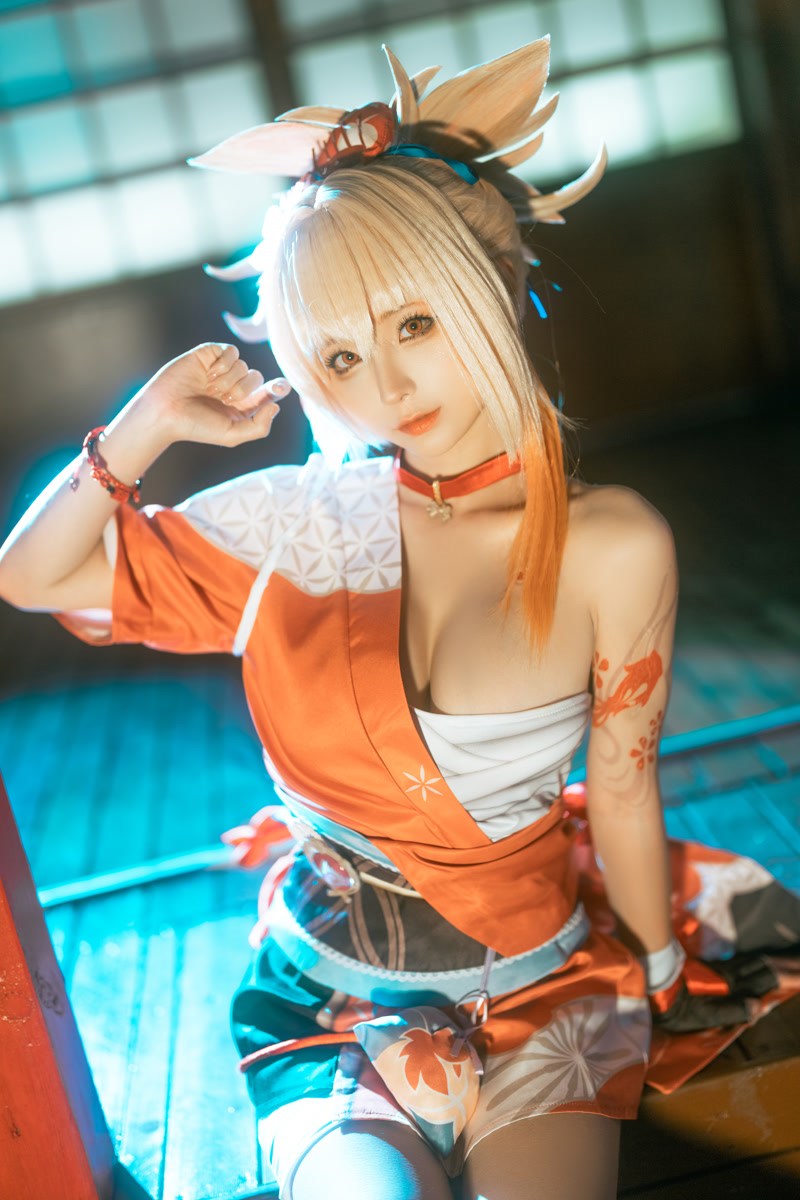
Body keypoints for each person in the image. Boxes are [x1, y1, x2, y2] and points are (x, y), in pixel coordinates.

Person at [0, 38, 798, 1200]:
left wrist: (663, 965)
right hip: (327, 994)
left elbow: (625, 788)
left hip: (545, 984)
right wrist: (146, 422)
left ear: (490, 288)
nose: (382, 385)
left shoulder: (614, 542)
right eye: (338, 353)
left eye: (412, 323)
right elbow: (30, 576)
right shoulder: (298, 524)